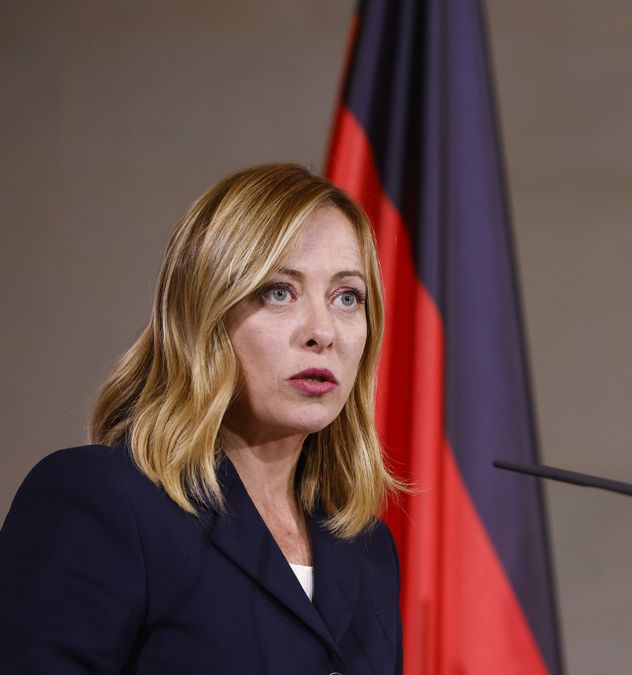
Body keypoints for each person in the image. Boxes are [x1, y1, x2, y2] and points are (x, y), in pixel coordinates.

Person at [0, 163, 406, 673]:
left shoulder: (367, 549)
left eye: (347, 297)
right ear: (204, 314)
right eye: (279, 291)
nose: (322, 331)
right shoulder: (103, 500)